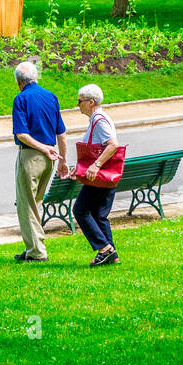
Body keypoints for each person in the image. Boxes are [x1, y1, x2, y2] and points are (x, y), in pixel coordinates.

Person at [11, 61, 66, 262]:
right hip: (50, 158)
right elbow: (61, 132)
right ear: (36, 78)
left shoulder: (21, 99)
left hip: (31, 156)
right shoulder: (51, 96)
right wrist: (63, 159)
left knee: (26, 204)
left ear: (19, 82)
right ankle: (33, 245)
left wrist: (42, 148)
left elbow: (22, 134)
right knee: (36, 202)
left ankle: (36, 252)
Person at [64, 84, 121, 267]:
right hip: (103, 175)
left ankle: (104, 249)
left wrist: (96, 165)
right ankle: (111, 254)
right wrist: (79, 168)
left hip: (99, 176)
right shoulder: (97, 119)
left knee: (80, 210)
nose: (77, 105)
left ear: (91, 102)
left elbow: (112, 144)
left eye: (79, 101)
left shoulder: (99, 119)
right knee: (98, 214)